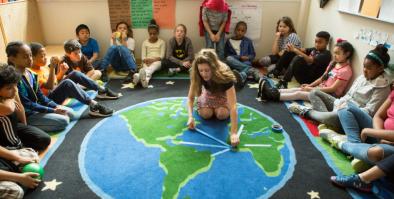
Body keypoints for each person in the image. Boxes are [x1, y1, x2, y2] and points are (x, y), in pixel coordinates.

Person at [289, 44, 391, 131]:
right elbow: (349, 95)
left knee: (334, 115)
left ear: (380, 68)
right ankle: (325, 120)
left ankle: (307, 112)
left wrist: (345, 109)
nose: (364, 70)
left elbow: (369, 112)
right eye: (364, 66)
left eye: (369, 68)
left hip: (350, 116)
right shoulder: (362, 77)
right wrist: (340, 104)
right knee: (314, 93)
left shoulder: (382, 88)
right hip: (341, 105)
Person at [30, 42, 114, 117]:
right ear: (32, 58)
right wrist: (52, 67)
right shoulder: (32, 73)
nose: (45, 58)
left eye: (45, 55)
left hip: (54, 91)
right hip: (48, 100)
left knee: (74, 74)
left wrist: (62, 72)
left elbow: (56, 81)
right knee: (67, 83)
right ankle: (93, 105)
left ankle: (101, 90)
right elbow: (50, 86)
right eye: (42, 56)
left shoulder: (43, 68)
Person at [6, 41, 72, 132]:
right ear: (12, 59)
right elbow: (27, 104)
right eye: (25, 57)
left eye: (30, 55)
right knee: (64, 121)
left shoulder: (31, 74)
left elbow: (41, 96)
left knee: (69, 113)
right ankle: (30, 128)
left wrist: (55, 106)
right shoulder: (14, 80)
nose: (29, 59)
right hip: (27, 115)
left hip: (37, 108)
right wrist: (52, 111)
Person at [263, 40, 353, 102]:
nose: (334, 55)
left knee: (299, 94)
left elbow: (332, 89)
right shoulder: (333, 63)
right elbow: (322, 78)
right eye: (334, 52)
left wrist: (311, 89)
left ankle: (273, 96)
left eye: (337, 53)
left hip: (329, 95)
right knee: (299, 88)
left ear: (347, 54)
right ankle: (272, 91)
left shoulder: (346, 71)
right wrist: (309, 85)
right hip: (320, 89)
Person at [187, 49, 239, 146]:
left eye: (207, 70)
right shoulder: (196, 73)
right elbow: (190, 98)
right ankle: (209, 106)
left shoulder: (224, 74)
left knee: (221, 114)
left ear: (214, 68)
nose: (204, 74)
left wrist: (234, 133)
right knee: (206, 114)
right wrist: (190, 117)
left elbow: (233, 106)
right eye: (201, 70)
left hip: (221, 93)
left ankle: (242, 78)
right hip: (208, 92)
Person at [0, 63, 50, 151]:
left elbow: (20, 107)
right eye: (9, 88)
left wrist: (26, 127)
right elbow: (9, 109)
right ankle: (15, 147)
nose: (15, 90)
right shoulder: (9, 101)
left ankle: (17, 145)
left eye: (15, 85)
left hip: (14, 127)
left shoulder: (11, 92)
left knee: (44, 139)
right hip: (2, 132)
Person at [134, 19, 165, 88]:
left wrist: (152, 60)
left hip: (157, 61)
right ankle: (146, 81)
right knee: (147, 69)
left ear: (157, 33)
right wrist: (146, 60)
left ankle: (139, 76)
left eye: (154, 34)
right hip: (146, 61)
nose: (152, 35)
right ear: (148, 33)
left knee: (151, 68)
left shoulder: (162, 42)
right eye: (150, 34)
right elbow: (143, 57)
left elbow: (162, 56)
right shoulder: (145, 42)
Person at [225, 21, 257, 87]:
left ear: (245, 32)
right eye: (238, 30)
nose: (240, 32)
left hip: (245, 62)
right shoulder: (229, 41)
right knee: (228, 59)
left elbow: (253, 54)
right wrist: (239, 57)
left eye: (242, 31)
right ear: (235, 30)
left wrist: (248, 57)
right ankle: (249, 70)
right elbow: (227, 55)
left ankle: (241, 76)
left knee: (247, 64)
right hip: (233, 62)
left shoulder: (248, 41)